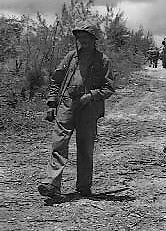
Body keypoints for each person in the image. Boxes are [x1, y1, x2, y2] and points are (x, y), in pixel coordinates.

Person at [37, 21, 115, 198]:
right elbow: (56, 80)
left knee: (85, 147)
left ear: (93, 39)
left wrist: (91, 96)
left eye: (85, 37)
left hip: (88, 108)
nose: (82, 41)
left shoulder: (103, 60)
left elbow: (109, 88)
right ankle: (52, 184)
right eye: (79, 37)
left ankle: (84, 187)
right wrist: (51, 103)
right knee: (59, 144)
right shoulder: (71, 57)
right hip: (67, 104)